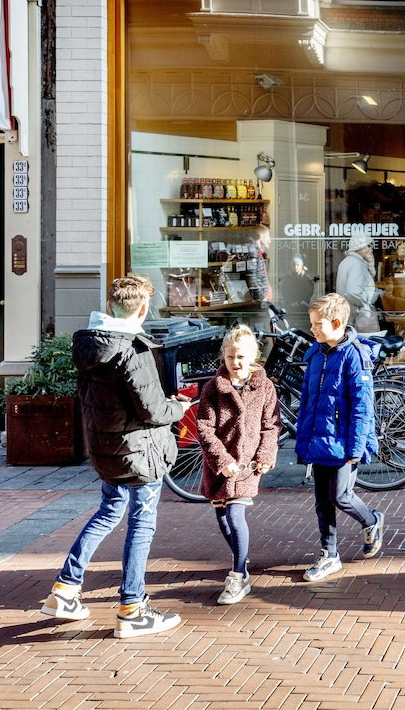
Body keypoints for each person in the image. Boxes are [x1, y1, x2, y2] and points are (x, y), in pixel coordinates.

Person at [39, 273, 190, 637]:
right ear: (140, 310)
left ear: (110, 306)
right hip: (139, 451)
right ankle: (133, 607)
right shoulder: (132, 350)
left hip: (105, 447)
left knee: (109, 512)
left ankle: (66, 588)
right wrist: (178, 408)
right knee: (141, 522)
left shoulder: (88, 345)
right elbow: (152, 410)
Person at [295, 292, 385, 582]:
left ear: (335, 323)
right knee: (322, 500)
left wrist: (356, 448)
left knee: (340, 496)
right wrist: (304, 437)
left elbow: (362, 406)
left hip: (344, 441)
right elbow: (308, 397)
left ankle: (372, 520)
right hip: (320, 439)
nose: (312, 329)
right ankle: (329, 554)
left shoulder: (354, 356)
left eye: (317, 324)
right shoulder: (316, 353)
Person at [195, 324, 281, 605]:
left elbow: (271, 425)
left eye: (241, 357)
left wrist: (266, 456)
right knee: (222, 516)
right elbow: (205, 428)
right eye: (230, 357)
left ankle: (238, 575)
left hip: (247, 465)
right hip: (219, 464)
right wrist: (221, 460)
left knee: (234, 515)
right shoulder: (212, 388)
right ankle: (240, 559)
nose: (235, 363)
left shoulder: (265, 387)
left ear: (254, 356)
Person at [336, 230, 381, 332]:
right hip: (357, 316)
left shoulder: (347, 262)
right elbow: (353, 293)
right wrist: (366, 303)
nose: (369, 249)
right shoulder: (356, 264)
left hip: (349, 316)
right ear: (360, 247)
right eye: (367, 246)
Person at [280, 255, 317, 320]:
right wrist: (291, 301)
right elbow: (284, 291)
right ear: (291, 266)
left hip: (303, 306)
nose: (295, 267)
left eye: (298, 265)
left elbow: (309, 292)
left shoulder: (306, 278)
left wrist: (299, 301)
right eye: (293, 265)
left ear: (301, 266)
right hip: (290, 306)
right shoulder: (287, 278)